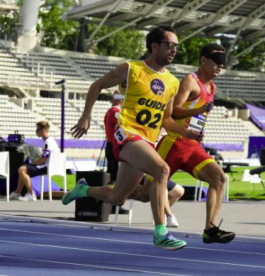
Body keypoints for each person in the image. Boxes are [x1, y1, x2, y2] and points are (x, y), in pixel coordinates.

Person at [62, 26, 201, 251]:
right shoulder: (132, 68)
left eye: (177, 46)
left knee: (118, 198)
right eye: (170, 45)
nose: (174, 50)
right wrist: (85, 116)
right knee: (162, 170)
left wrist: (186, 133)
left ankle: (83, 190)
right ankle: (160, 233)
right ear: (154, 46)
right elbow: (97, 85)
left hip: (147, 140)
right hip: (126, 133)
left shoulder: (173, 83)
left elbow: (166, 120)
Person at [155, 43, 235, 243]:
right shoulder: (190, 81)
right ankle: (87, 191)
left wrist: (199, 129)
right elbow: (174, 112)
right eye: (217, 62)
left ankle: (211, 229)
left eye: (222, 64)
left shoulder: (211, 86)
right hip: (173, 143)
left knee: (219, 178)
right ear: (203, 60)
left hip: (192, 147)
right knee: (139, 194)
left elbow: (198, 115)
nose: (220, 67)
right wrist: (197, 112)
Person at [10, 121, 59, 201]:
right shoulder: (49, 141)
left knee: (22, 169)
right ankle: (17, 193)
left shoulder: (48, 142)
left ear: (43, 130)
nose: (36, 131)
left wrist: (30, 164)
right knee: (22, 169)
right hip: (49, 165)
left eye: (38, 129)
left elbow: (43, 159)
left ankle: (31, 194)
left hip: (48, 167)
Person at [104, 90, 122, 183]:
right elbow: (121, 125)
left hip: (110, 143)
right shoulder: (115, 111)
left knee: (111, 167)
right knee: (114, 169)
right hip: (114, 144)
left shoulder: (110, 111)